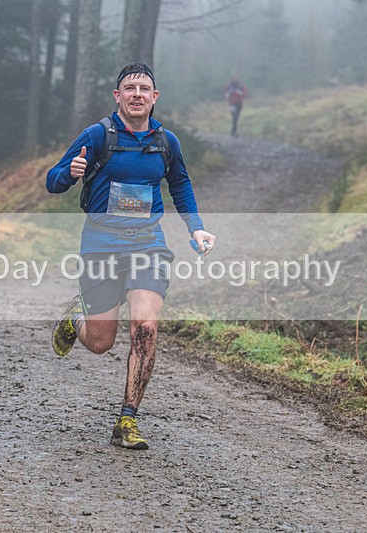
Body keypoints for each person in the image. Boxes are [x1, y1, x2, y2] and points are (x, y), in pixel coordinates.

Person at [46, 63, 216, 450]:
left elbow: (181, 184)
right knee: (102, 341)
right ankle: (78, 319)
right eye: (129, 88)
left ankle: (128, 419)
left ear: (155, 97)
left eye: (144, 88)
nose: (137, 94)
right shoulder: (98, 135)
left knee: (145, 326)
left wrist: (196, 226)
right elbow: (52, 181)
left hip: (147, 243)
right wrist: (70, 173)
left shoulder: (165, 142)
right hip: (101, 243)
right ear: (117, 96)